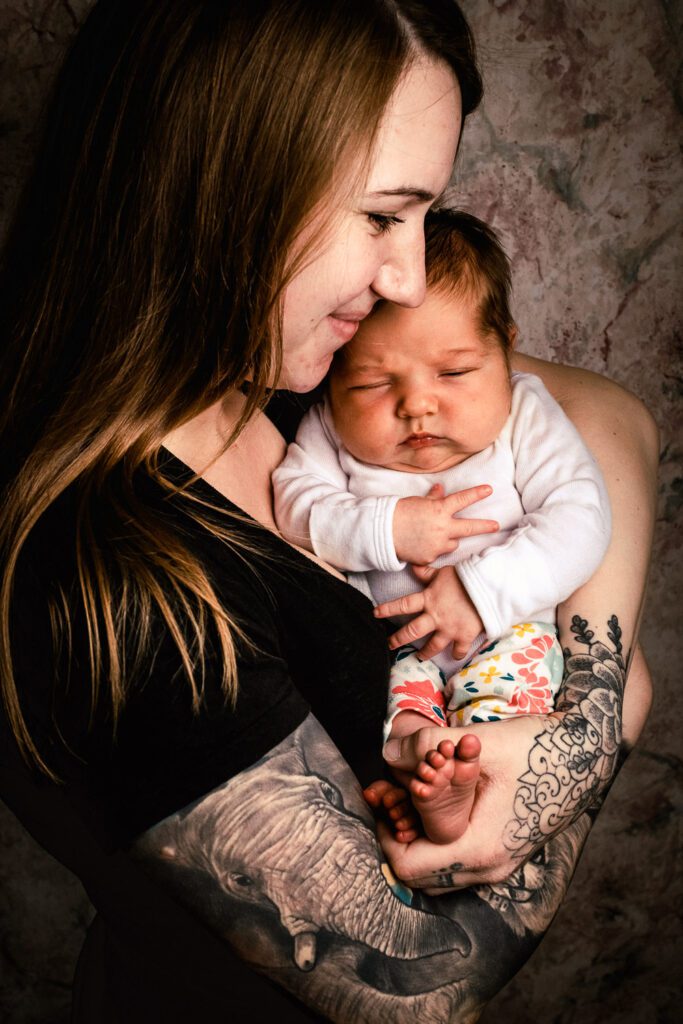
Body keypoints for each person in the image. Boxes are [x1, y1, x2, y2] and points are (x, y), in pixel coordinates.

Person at [0, 2, 656, 1022]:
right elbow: (424, 985)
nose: (405, 275)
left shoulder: (280, 366)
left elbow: (606, 414)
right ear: (224, 186)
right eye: (381, 215)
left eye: (422, 218)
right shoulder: (104, 573)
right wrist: (598, 719)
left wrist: (602, 676)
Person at [272, 209, 612, 845]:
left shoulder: (525, 414)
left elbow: (581, 517)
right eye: (373, 383)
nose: (417, 404)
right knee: (400, 726)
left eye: (454, 373)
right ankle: (427, 790)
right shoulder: (329, 428)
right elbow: (294, 502)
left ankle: (463, 792)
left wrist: (481, 590)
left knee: (503, 718)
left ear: (504, 349)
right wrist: (385, 526)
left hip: (509, 633)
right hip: (400, 650)